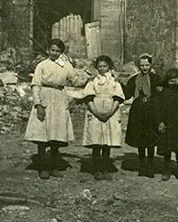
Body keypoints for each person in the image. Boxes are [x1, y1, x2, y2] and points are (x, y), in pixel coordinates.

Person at [24, 38, 76, 179]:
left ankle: (53, 166)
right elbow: (35, 85)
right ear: (48, 50)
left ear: (62, 53)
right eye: (52, 50)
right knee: (43, 135)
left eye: (58, 51)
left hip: (59, 98)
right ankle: (43, 168)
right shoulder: (42, 65)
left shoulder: (65, 65)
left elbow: (75, 79)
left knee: (56, 135)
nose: (54, 53)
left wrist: (91, 77)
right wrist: (38, 104)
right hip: (45, 97)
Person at [74, 55, 125, 180]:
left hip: (110, 112)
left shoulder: (114, 82)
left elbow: (118, 98)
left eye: (105, 66)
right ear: (96, 67)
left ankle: (105, 168)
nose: (102, 69)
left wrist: (110, 113)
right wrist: (95, 112)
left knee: (106, 143)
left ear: (109, 67)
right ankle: (97, 169)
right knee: (96, 142)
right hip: (95, 111)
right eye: (100, 66)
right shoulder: (92, 81)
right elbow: (88, 98)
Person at [153, 68, 178, 181]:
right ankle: (166, 171)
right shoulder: (161, 90)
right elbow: (156, 108)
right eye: (171, 79)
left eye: (175, 79)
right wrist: (159, 122)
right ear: (167, 79)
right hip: (166, 122)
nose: (173, 82)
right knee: (167, 148)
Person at [123, 53, 160, 178]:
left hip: (151, 113)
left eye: (147, 65)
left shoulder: (156, 79)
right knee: (140, 140)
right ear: (138, 66)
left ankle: (150, 166)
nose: (144, 68)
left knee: (150, 140)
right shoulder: (134, 79)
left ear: (151, 65)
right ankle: (142, 166)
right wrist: (118, 84)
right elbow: (127, 94)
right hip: (138, 113)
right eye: (142, 65)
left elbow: (159, 96)